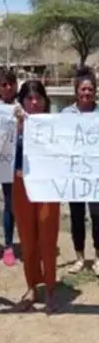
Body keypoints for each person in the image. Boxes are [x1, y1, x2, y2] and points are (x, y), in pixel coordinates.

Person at [11, 80, 60, 312]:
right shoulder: (11, 127)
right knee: (28, 240)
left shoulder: (57, 125)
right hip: (21, 185)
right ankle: (32, 286)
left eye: (38, 98)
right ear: (21, 102)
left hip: (48, 186)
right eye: (29, 99)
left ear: (44, 101)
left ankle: (50, 287)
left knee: (48, 239)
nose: (33, 103)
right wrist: (18, 130)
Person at [60, 66, 99, 276]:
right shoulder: (66, 114)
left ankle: (98, 258)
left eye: (90, 89)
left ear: (95, 91)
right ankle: (79, 257)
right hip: (74, 176)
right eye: (83, 89)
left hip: (96, 176)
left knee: (97, 218)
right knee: (76, 217)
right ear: (76, 91)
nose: (86, 93)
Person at [0, 68, 18, 267]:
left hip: (22, 162)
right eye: (3, 85)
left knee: (24, 203)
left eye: (10, 84)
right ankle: (8, 246)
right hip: (3, 163)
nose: (7, 88)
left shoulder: (21, 104)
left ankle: (30, 242)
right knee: (9, 204)